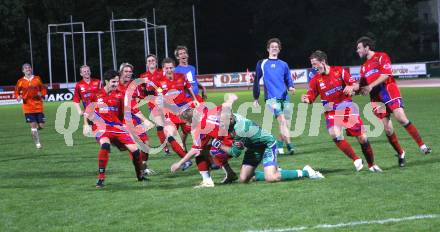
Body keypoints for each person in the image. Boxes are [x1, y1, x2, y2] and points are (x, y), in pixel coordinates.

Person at [171, 94, 324, 186]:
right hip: (253, 147)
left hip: (266, 144)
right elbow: (226, 105)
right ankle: (273, 170)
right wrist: (231, 99)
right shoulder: (218, 117)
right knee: (244, 179)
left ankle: (306, 172)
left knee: (272, 178)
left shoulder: (239, 130)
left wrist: (217, 143)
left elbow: (235, 152)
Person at [356, 36, 432, 167]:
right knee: (388, 130)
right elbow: (362, 86)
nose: (357, 51)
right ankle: (401, 153)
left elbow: (386, 74)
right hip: (376, 98)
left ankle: (422, 146)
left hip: (388, 90)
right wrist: (355, 90)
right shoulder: (363, 67)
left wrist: (370, 86)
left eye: (359, 48)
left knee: (401, 118)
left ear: (367, 47)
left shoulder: (381, 57)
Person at [301, 50, 382, 172]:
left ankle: (371, 165)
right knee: (334, 134)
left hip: (346, 107)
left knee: (363, 138)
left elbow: (355, 85)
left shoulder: (339, 71)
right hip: (330, 110)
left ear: (323, 62)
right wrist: (306, 99)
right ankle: (356, 159)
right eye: (312, 65)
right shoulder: (315, 79)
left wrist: (351, 87)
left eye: (315, 64)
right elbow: (310, 96)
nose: (313, 67)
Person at [84, 70, 146, 188]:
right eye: (113, 82)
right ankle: (101, 179)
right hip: (101, 127)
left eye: (117, 81)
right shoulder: (95, 94)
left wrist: (125, 128)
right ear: (106, 81)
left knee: (136, 151)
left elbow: (123, 114)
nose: (116, 84)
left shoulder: (120, 95)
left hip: (116, 127)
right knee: (105, 145)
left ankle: (140, 175)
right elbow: (88, 111)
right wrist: (86, 125)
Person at [253, 38, 296, 155]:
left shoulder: (284, 64)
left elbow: (288, 78)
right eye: (272, 46)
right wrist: (256, 97)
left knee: (286, 123)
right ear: (268, 49)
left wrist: (291, 86)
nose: (274, 48)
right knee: (282, 121)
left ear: (279, 49)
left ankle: (280, 145)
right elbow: (256, 80)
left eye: (276, 46)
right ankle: (290, 146)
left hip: (284, 97)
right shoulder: (262, 63)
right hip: (271, 98)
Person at [118, 62, 155, 176]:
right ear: (121, 72)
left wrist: (138, 99)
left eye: (130, 71)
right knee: (134, 147)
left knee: (146, 145)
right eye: (126, 71)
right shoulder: (115, 85)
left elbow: (137, 99)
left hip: (135, 118)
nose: (128, 73)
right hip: (123, 120)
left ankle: (143, 165)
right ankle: (140, 170)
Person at [174, 45, 207, 151]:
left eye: (184, 53)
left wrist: (203, 87)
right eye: (180, 54)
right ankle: (183, 144)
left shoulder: (192, 68)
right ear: (178, 57)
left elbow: (193, 81)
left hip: (197, 98)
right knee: (188, 126)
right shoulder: (176, 70)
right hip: (187, 100)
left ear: (187, 54)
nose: (183, 55)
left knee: (204, 120)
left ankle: (201, 146)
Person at [139, 54, 171, 155]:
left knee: (169, 125)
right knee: (160, 126)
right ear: (146, 63)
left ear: (156, 62)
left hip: (166, 103)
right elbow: (142, 90)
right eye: (149, 61)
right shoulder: (143, 76)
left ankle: (175, 143)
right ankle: (165, 148)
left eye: (153, 60)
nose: (151, 62)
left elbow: (168, 86)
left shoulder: (162, 72)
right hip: (153, 104)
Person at [14, 63, 47, 149]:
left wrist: (42, 94)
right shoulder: (20, 81)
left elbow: (43, 89)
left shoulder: (37, 78)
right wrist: (18, 97)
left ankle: (34, 131)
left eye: (29, 67)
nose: (28, 69)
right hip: (28, 107)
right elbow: (16, 92)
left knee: (42, 126)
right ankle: (38, 143)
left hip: (38, 106)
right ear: (23, 71)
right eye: (26, 68)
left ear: (31, 69)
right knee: (33, 125)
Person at [72, 65, 101, 135]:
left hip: (99, 110)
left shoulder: (98, 82)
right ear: (81, 74)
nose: (86, 72)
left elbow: (104, 95)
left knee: (101, 131)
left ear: (90, 72)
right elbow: (76, 99)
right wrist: (79, 111)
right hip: (88, 112)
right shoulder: (78, 85)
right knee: (88, 133)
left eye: (88, 71)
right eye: (84, 71)